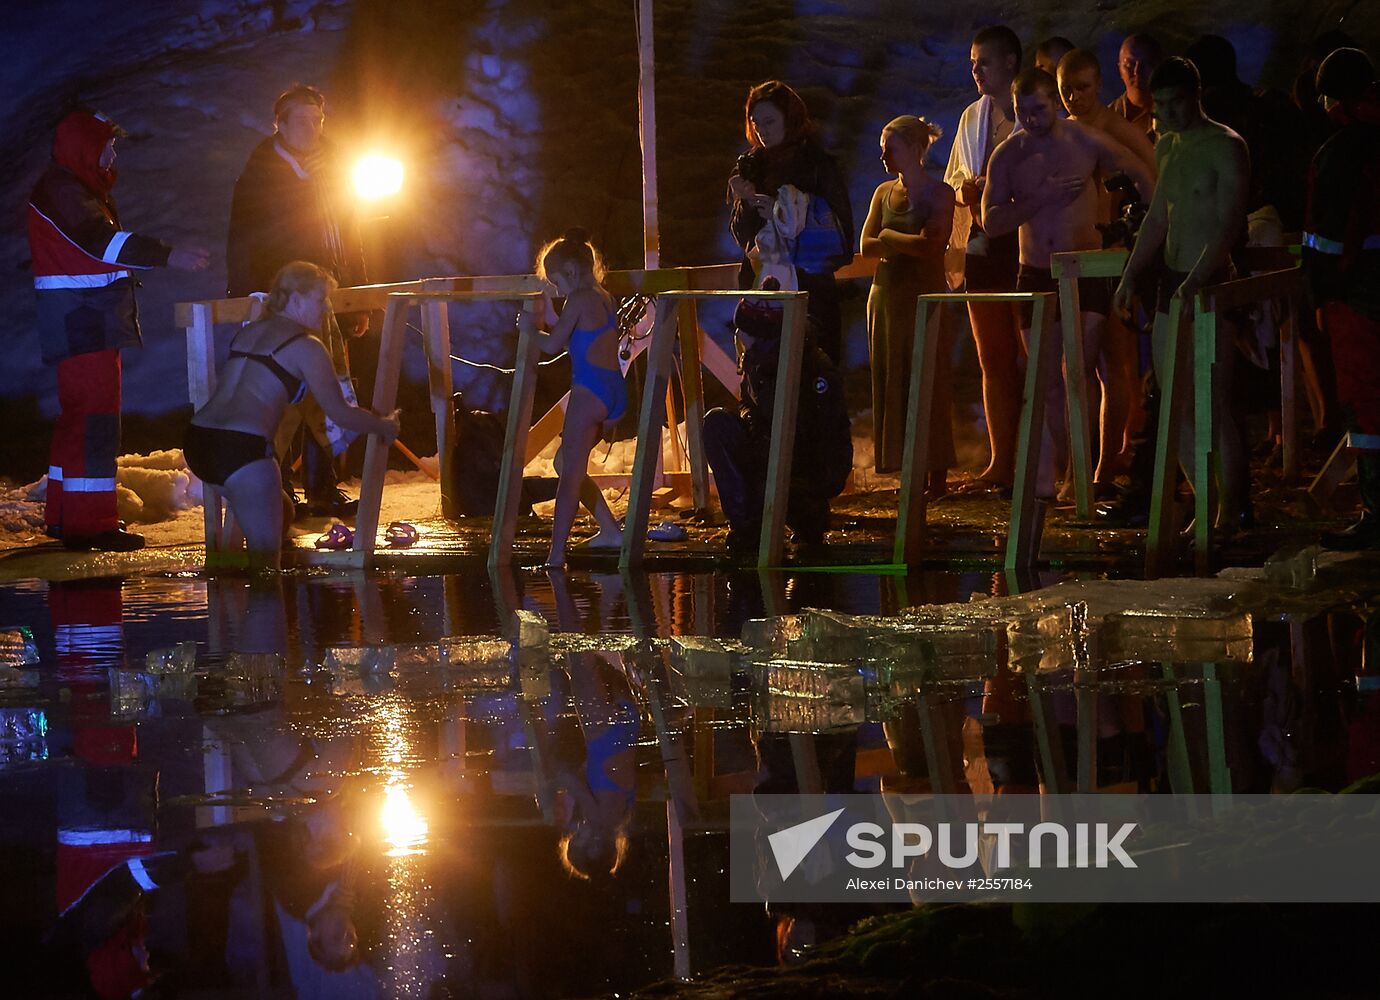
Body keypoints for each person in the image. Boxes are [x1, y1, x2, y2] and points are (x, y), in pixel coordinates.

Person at [27, 108, 210, 551]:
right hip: (86, 322)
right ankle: (91, 524)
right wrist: (170, 254)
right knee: (96, 425)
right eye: (106, 146)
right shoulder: (67, 192)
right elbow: (102, 243)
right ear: (84, 149)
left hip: (78, 322)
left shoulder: (66, 188)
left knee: (77, 422)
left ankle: (64, 516)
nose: (112, 155)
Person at [983, 69, 1154, 499]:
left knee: (1078, 372)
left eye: (1040, 110)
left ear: (1054, 105)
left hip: (1084, 268)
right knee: (1047, 379)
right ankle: (1067, 469)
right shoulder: (1008, 155)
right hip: (1037, 270)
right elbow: (992, 221)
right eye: (1023, 112)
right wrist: (1041, 197)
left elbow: (1139, 169)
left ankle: (1091, 472)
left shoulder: (1083, 140)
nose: (1032, 119)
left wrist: (1149, 227)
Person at [183, 261, 399, 570]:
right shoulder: (306, 347)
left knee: (278, 508)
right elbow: (341, 414)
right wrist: (384, 425)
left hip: (199, 440)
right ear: (296, 299)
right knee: (267, 570)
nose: (327, 308)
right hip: (241, 450)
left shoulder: (252, 331)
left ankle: (226, 599)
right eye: (320, 298)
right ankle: (262, 608)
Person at [1113, 57, 1251, 532]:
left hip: (1210, 283)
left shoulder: (1226, 146)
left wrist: (1198, 278)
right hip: (1173, 281)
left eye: (1175, 104)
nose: (1167, 114)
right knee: (1178, 403)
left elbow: (1229, 221)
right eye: (1161, 106)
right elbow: (1158, 217)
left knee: (1211, 400)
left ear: (1195, 97)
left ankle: (1230, 510)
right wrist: (1132, 274)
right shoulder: (1167, 144)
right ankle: (1206, 504)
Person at [227, 84, 369, 518]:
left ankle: (323, 485)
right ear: (281, 124)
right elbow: (244, 238)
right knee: (283, 389)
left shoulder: (331, 170)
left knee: (326, 383)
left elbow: (348, 232)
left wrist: (357, 294)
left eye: (317, 119)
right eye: (302, 119)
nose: (312, 128)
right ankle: (278, 486)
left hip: (326, 293)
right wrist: (247, 297)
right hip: (282, 296)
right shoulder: (262, 172)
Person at [1057, 48, 1156, 482]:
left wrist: (1135, 237)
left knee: (1114, 362)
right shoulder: (1066, 131)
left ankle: (1104, 465)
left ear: (1098, 86)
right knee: (1080, 365)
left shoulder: (1114, 128)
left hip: (1111, 255)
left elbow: (1151, 173)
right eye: (1066, 90)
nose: (1074, 98)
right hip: (1078, 257)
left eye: (1082, 88)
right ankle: (1090, 463)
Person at [703, 286, 852, 552]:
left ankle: (789, 520)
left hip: (805, 473)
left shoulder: (803, 368)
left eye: (743, 330)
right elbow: (749, 405)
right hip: (775, 458)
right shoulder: (760, 360)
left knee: (775, 471)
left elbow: (809, 439)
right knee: (718, 424)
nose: (737, 336)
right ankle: (750, 525)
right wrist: (751, 425)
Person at [1304, 48, 1380, 550]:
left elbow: (1323, 240)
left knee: (1368, 410)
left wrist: (1318, 293)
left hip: (1358, 297)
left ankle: (1376, 514)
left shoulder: (1339, 153)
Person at [944, 24, 1024, 494]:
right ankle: (1001, 459)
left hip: (1026, 243)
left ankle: (1042, 455)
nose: (976, 70)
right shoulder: (972, 117)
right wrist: (965, 189)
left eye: (984, 61)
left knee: (1032, 353)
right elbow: (956, 173)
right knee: (992, 354)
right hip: (982, 245)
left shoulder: (1031, 112)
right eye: (972, 62)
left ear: (1010, 61)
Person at [728, 80, 854, 364]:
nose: (762, 130)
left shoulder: (816, 164)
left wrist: (787, 213)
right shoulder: (750, 165)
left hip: (809, 293)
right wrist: (745, 202)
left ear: (790, 118)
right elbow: (743, 238)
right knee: (763, 379)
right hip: (762, 292)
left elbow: (841, 239)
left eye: (770, 120)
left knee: (811, 379)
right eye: (755, 122)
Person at [860, 115, 956, 488]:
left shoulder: (940, 194)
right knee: (894, 379)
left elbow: (931, 245)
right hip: (886, 300)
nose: (883, 155)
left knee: (929, 380)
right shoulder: (883, 193)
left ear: (915, 150)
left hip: (924, 299)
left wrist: (888, 237)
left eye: (891, 148)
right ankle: (907, 469)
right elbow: (866, 245)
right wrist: (902, 239)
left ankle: (936, 473)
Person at [535, 228, 626, 567]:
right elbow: (574, 331)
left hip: (588, 392)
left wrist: (528, 330)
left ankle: (555, 555)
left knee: (570, 475)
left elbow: (551, 345)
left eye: (556, 282)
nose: (557, 291)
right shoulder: (601, 296)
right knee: (563, 464)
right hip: (612, 389)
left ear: (571, 272)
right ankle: (610, 529)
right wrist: (549, 314)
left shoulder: (578, 299)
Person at [1112, 34, 1162, 139]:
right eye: (1130, 64)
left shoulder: (1173, 115)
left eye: (1146, 64)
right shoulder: (1108, 117)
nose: (1137, 71)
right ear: (1119, 69)